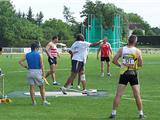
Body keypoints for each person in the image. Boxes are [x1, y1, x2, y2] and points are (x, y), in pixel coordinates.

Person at [109, 35, 144, 119]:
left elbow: (114, 60)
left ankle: (113, 113)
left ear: (128, 40)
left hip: (124, 73)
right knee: (137, 95)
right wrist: (134, 64)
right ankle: (141, 114)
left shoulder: (122, 49)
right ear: (135, 42)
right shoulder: (137, 51)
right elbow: (141, 64)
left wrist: (121, 65)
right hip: (133, 74)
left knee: (118, 95)